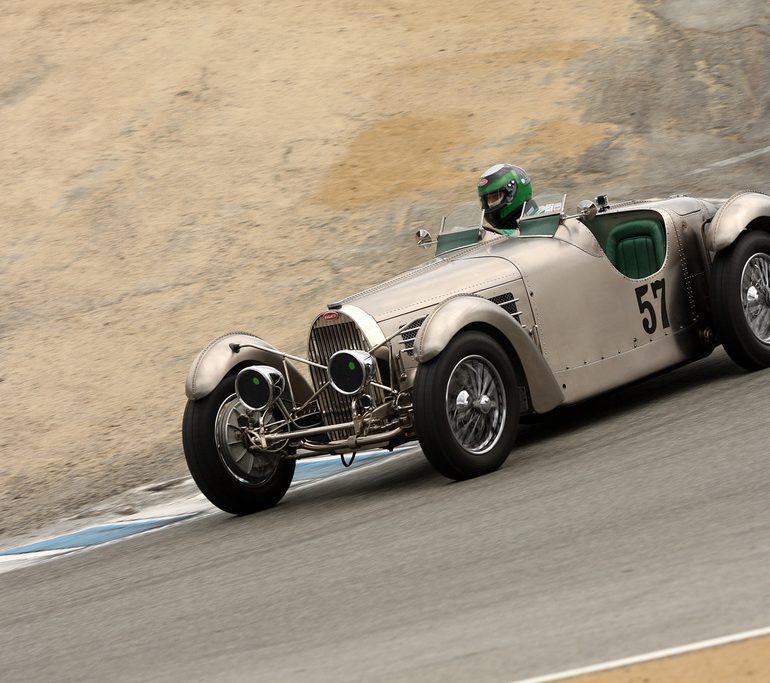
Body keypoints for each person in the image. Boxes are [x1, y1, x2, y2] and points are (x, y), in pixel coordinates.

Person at [477, 163, 534, 233]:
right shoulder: (493, 233)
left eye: (496, 196)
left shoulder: (544, 219)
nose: (490, 204)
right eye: (488, 199)